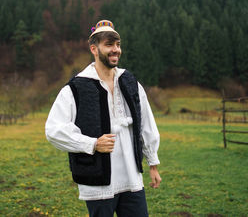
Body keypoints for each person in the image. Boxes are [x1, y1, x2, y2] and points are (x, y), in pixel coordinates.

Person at [45, 20, 161, 217]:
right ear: (94, 49)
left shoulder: (130, 82)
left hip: (132, 179)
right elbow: (53, 130)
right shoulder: (76, 87)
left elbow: (146, 123)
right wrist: (92, 144)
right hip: (98, 183)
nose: (115, 50)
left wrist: (153, 163)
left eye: (117, 44)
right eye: (109, 44)